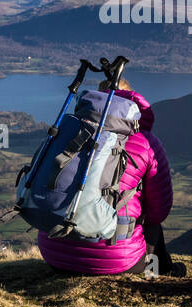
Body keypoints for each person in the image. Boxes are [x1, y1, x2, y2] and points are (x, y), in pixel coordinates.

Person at [36, 77, 179, 276]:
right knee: (152, 226)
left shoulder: (69, 130)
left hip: (55, 255)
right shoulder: (145, 142)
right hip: (115, 261)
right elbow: (159, 212)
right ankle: (159, 273)